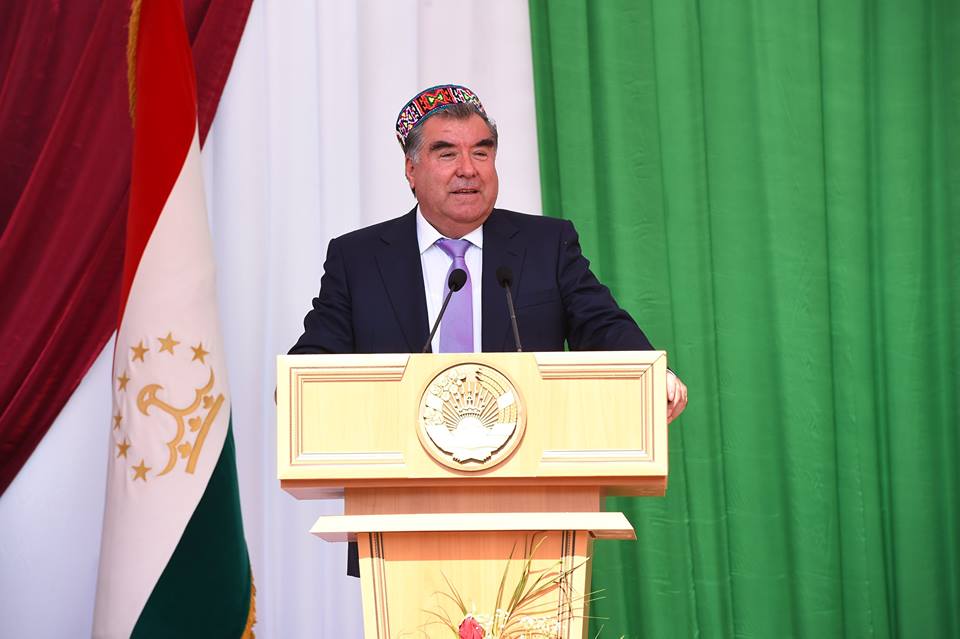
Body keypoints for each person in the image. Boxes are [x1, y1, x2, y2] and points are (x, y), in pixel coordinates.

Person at [290, 84, 688, 575]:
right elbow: (317, 356)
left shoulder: (546, 244)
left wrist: (650, 374)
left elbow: (601, 324)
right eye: (446, 153)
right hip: (400, 518)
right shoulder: (359, 258)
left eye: (481, 152)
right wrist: (296, 389)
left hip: (536, 517)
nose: (468, 169)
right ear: (411, 170)